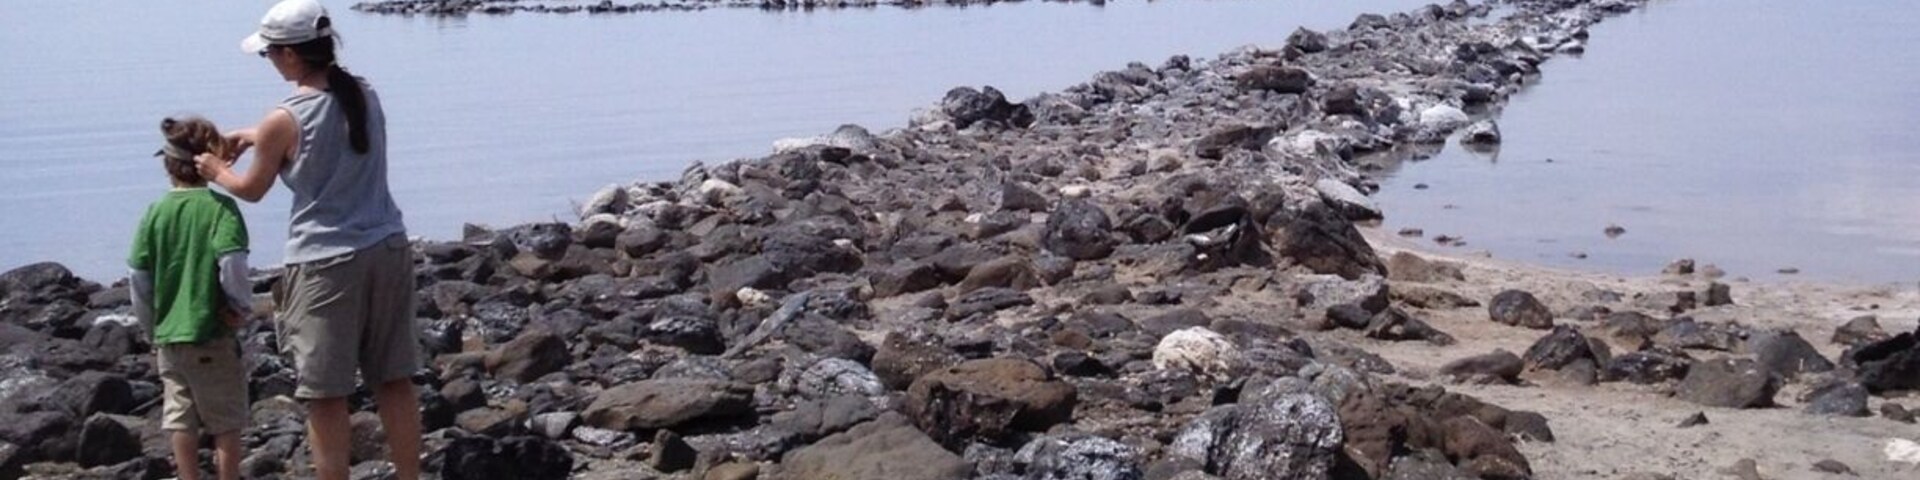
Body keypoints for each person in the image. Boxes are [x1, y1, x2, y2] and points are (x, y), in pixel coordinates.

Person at [196, 1, 422, 478]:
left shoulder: (284, 117)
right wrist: (256, 136)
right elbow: (319, 127)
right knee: (394, 380)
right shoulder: (364, 92)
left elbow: (251, 190)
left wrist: (216, 170)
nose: (270, 62)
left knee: (325, 395)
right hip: (388, 246)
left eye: (270, 54)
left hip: (326, 260)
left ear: (291, 56)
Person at [130, 116, 253, 480]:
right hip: (210, 330)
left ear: (169, 166)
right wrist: (239, 307)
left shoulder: (154, 213)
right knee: (226, 419)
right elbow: (232, 263)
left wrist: (151, 327)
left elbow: (139, 277)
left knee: (179, 414)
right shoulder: (220, 209)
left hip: (169, 334)